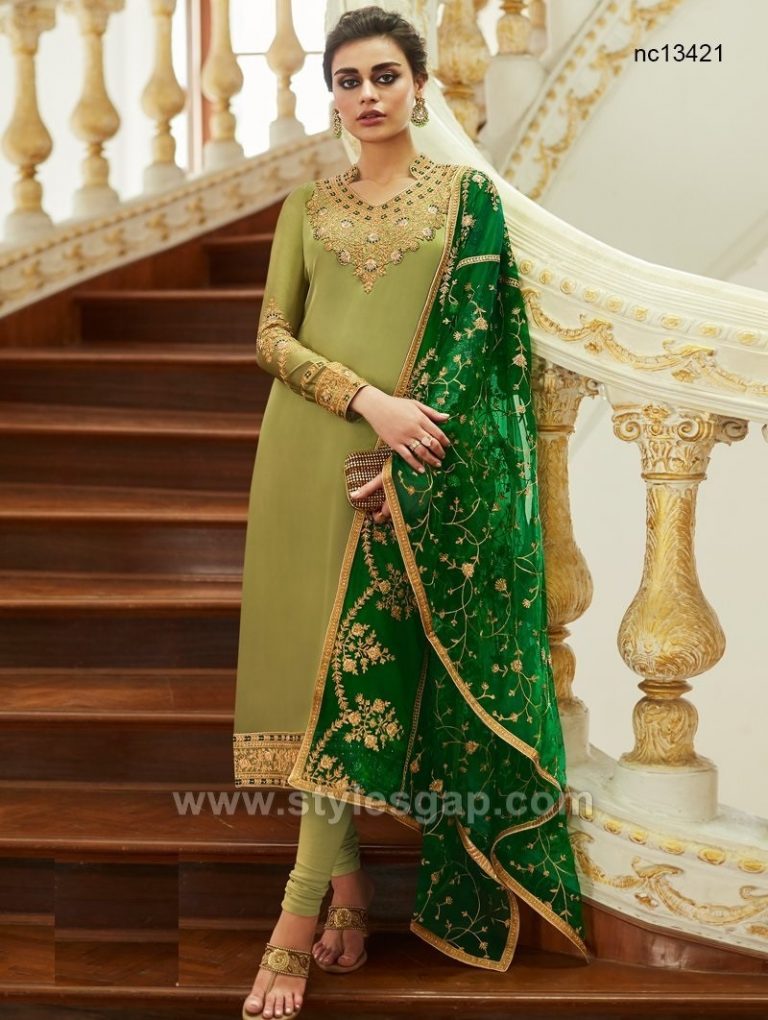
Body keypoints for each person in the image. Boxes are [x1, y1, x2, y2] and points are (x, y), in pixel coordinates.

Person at [234, 6, 589, 1018]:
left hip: (406, 474)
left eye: (384, 75)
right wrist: (368, 402)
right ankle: (347, 890)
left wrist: (409, 455)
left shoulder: (467, 201)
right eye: (347, 81)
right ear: (331, 99)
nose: (367, 95)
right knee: (309, 676)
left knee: (357, 678)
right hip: (306, 458)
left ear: (420, 87)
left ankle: (294, 922)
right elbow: (272, 337)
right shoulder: (306, 206)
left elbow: (481, 351)